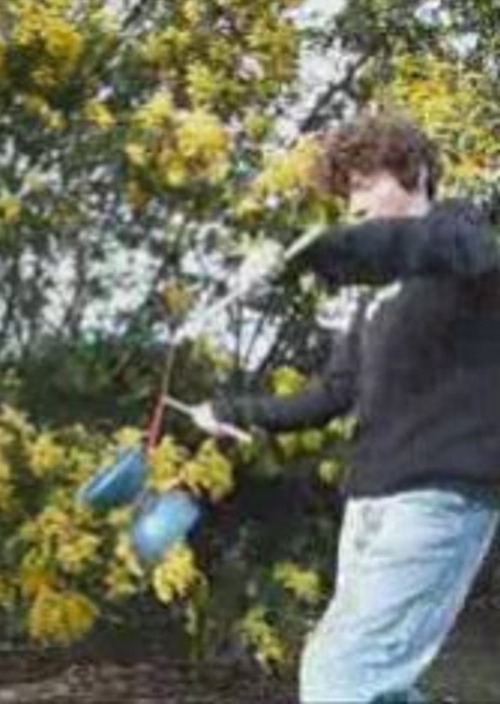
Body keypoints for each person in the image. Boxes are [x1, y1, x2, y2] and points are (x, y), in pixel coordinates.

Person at [188, 113, 500, 702]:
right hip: (370, 504)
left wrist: (315, 253)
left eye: (365, 184)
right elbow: (330, 396)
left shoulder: (464, 241)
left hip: (439, 501)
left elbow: (422, 243)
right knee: (378, 687)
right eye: (346, 193)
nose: (353, 205)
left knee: (341, 674)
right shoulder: (378, 299)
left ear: (421, 175)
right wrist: (232, 409)